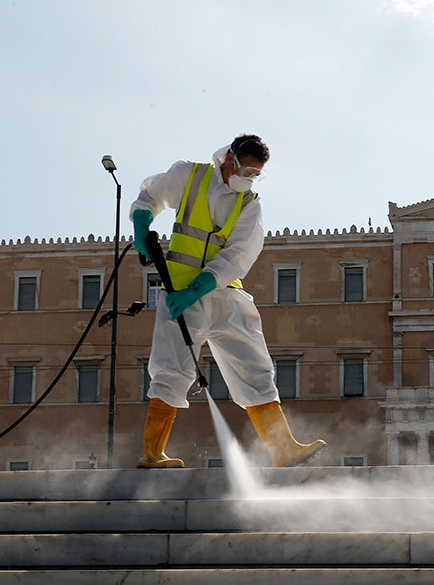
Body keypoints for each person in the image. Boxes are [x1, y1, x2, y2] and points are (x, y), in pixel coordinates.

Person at [130, 133, 327, 469]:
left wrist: (199, 288)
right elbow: (151, 194)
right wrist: (140, 224)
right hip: (179, 292)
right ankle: (153, 454)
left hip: (222, 292)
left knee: (255, 366)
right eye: (246, 170)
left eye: (255, 174)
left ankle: (283, 450)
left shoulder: (250, 204)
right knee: (172, 368)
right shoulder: (189, 175)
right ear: (229, 159)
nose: (249, 179)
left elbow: (238, 255)